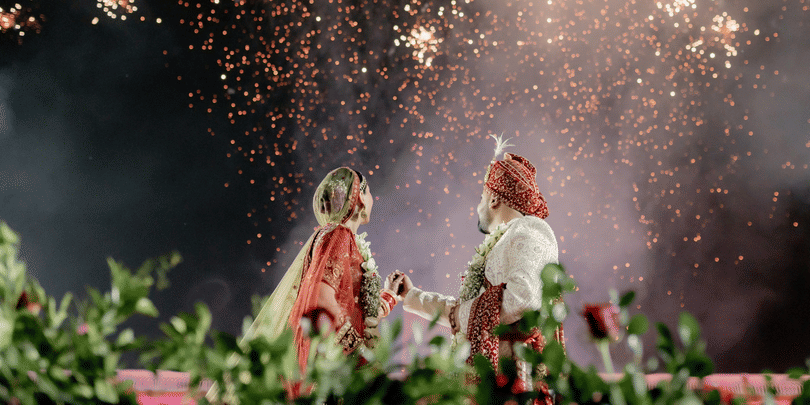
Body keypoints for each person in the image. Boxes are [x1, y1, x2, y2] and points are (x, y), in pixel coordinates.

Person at [207, 167, 400, 402]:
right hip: (334, 366)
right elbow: (321, 302)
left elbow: (355, 311)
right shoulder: (339, 236)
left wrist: (389, 296)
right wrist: (358, 351)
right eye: (369, 193)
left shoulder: (338, 238)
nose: (373, 200)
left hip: (338, 362)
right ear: (360, 194)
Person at [392, 137, 564, 401]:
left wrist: (466, 313)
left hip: (515, 381)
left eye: (481, 197)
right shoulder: (506, 240)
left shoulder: (529, 230)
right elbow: (468, 312)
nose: (477, 206)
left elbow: (522, 298)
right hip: (497, 381)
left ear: (494, 199)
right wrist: (413, 297)